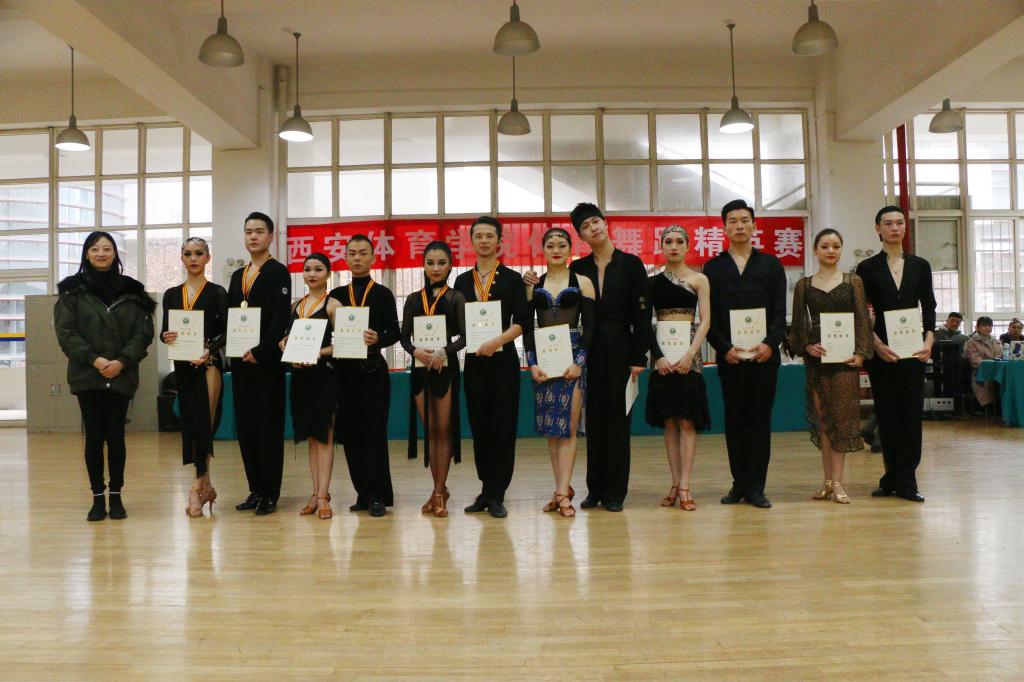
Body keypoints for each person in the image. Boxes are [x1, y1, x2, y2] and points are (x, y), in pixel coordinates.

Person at [529, 203, 649, 512]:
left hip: (621, 346)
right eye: (585, 226)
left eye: (596, 221)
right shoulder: (579, 269)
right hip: (587, 349)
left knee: (618, 419)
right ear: (580, 237)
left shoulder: (631, 264)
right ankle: (594, 489)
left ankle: (615, 492)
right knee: (591, 419)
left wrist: (639, 355)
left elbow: (642, 312)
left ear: (606, 224)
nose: (593, 228)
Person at [54, 231, 155, 521]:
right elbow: (66, 333)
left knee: (116, 436)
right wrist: (95, 360)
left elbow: (142, 333)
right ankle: (97, 497)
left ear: (115, 254)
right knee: (94, 437)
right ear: (86, 254)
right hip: (88, 375)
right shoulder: (72, 291)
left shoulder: (132, 291)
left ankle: (117, 496)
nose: (101, 253)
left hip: (121, 375)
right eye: (95, 249)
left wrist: (122, 361)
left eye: (107, 249)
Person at [704, 199, 787, 509]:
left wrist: (770, 344)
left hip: (765, 358)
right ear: (724, 227)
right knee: (735, 420)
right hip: (731, 359)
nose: (739, 226)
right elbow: (709, 317)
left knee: (759, 421)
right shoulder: (714, 268)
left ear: (754, 225)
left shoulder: (771, 265)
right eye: (733, 221)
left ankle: (756, 486)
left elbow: (780, 311)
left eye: (744, 220)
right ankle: (739, 483)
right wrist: (723, 348)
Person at [856, 205, 936, 503]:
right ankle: (891, 477)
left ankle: (908, 480)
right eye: (888, 223)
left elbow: (929, 306)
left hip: (914, 350)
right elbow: (861, 312)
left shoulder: (920, 265)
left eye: (899, 222)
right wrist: (876, 344)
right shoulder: (867, 268)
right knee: (887, 415)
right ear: (878, 229)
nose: (895, 228)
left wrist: (929, 341)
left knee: (910, 416)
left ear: (905, 227)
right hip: (882, 352)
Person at [453, 216, 530, 519]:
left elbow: (522, 322)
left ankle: (498, 494)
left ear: (499, 241)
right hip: (474, 361)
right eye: (479, 236)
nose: (484, 241)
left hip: (503, 360)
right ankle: (485, 489)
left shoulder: (512, 279)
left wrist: (496, 341)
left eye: (489, 236)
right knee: (480, 426)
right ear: (471, 241)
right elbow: (456, 322)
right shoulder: (462, 281)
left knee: (503, 426)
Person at [789, 229, 873, 504]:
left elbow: (862, 319)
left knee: (842, 420)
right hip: (818, 361)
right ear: (815, 250)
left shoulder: (853, 281)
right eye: (825, 246)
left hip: (845, 361)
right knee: (824, 421)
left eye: (836, 246)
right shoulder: (804, 284)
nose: (831, 251)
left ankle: (838, 481)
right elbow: (798, 323)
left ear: (841, 249)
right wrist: (805, 346)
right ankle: (827, 481)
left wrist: (861, 354)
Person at [523, 227, 596, 518]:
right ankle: (560, 489)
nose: (556, 250)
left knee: (568, 427)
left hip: (572, 357)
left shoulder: (583, 282)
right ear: (543, 249)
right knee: (552, 430)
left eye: (561, 245)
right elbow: (527, 329)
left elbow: (590, 326)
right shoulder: (533, 284)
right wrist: (532, 363)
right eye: (550, 245)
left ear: (570, 249)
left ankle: (564, 493)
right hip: (544, 359)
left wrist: (580, 361)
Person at [329, 235, 400, 518]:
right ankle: (362, 492)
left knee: (373, 434)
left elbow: (395, 332)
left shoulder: (382, 293)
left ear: (373, 258)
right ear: (345, 257)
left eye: (363, 253)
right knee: (350, 435)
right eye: (352, 253)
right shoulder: (336, 295)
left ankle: (379, 495)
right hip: (343, 371)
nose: (357, 258)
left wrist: (378, 338)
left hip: (372, 371)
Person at [227, 211, 292, 516]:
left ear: (271, 237)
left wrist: (262, 351)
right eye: (248, 231)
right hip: (241, 362)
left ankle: (270, 493)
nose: (253, 236)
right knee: (247, 428)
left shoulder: (279, 272)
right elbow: (231, 317)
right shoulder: (237, 276)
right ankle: (255, 489)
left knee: (268, 429)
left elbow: (280, 318)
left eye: (259, 231)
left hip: (266, 364)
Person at [159, 237, 228, 518]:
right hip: (184, 366)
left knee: (204, 425)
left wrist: (209, 348)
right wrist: (166, 336)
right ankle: (207, 486)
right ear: (182, 258)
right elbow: (165, 332)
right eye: (188, 254)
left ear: (207, 258)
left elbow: (227, 331)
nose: (193, 258)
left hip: (208, 363)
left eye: (199, 253)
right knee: (191, 427)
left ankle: (195, 488)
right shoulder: (171, 294)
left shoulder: (217, 292)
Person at [645, 225, 711, 511]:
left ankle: (685, 484)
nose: (674, 246)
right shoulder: (651, 282)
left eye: (679, 241)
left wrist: (690, 354)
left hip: (689, 360)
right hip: (662, 361)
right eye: (668, 241)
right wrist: (658, 356)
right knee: (670, 422)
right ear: (661, 246)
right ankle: (674, 483)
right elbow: (644, 322)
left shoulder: (699, 279)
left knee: (687, 421)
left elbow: (706, 320)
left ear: (687, 246)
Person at [400, 241, 467, 518]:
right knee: (430, 431)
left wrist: (444, 352)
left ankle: (439, 492)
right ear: (424, 266)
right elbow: (404, 337)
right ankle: (439, 488)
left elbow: (466, 337)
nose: (435, 268)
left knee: (443, 430)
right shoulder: (413, 299)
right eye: (430, 263)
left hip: (445, 368)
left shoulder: (456, 298)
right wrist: (415, 351)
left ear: (450, 266)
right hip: (420, 369)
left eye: (441, 263)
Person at [281, 253, 340, 520]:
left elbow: (345, 344)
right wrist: (284, 344)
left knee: (324, 436)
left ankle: (324, 496)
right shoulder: (296, 306)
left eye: (318, 269)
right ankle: (315, 493)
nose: (312, 274)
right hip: (301, 378)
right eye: (307, 269)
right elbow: (287, 338)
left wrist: (319, 352)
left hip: (323, 377)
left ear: (328, 274)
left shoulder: (333, 305)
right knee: (312, 437)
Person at [965, 316, 1002, 408]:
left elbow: (1001, 356)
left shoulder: (996, 341)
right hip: (980, 371)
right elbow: (974, 360)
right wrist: (991, 365)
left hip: (998, 369)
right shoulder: (972, 342)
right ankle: (991, 406)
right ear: (977, 327)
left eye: (990, 326)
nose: (987, 328)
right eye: (984, 326)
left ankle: (1006, 404)